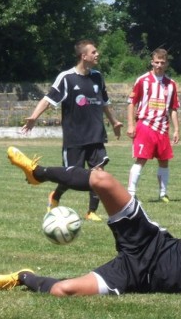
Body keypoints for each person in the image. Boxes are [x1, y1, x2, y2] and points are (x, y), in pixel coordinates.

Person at [0, 147, 181, 305]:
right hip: (149, 240)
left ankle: (23, 276)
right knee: (102, 180)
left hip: (135, 275)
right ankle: (37, 174)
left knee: (64, 291)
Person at [20, 39, 123, 221]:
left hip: (96, 134)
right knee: (70, 177)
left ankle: (91, 211)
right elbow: (48, 99)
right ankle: (55, 196)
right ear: (84, 56)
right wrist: (34, 117)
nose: (97, 54)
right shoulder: (67, 78)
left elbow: (104, 102)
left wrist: (114, 121)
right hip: (75, 137)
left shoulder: (98, 77)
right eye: (94, 52)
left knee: (98, 174)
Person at [126, 48, 180, 202]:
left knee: (164, 160)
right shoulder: (142, 80)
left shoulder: (171, 84)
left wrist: (176, 129)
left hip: (162, 128)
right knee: (141, 159)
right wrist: (131, 125)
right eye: (156, 62)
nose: (159, 65)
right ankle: (131, 193)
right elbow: (131, 103)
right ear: (152, 62)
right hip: (145, 125)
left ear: (167, 64)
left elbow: (173, 109)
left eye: (162, 62)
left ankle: (163, 194)